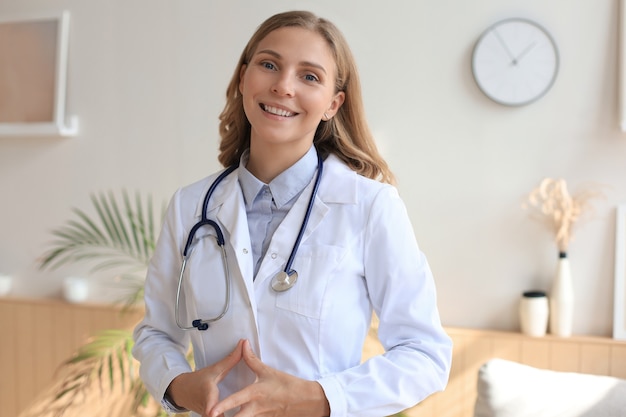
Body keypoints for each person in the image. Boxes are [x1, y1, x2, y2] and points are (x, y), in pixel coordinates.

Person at [132, 10, 452, 417]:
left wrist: (319, 398)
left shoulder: (370, 206)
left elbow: (425, 355)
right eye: (269, 65)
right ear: (244, 77)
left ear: (333, 104)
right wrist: (178, 385)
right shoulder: (190, 206)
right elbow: (156, 333)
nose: (283, 86)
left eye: (310, 76)